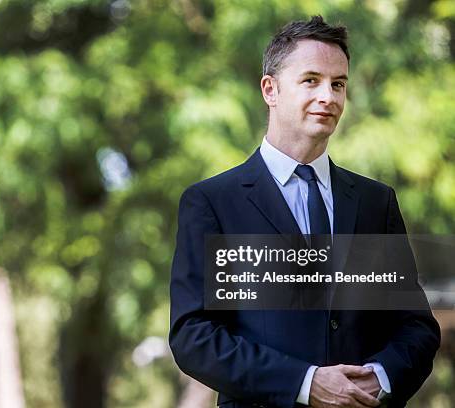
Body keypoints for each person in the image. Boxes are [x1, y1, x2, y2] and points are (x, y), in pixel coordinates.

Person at [169, 16, 440, 408]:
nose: (328, 96)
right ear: (270, 89)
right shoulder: (213, 203)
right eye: (311, 80)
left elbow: (415, 327)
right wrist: (304, 382)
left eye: (338, 84)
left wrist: (380, 378)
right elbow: (194, 336)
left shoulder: (376, 203)